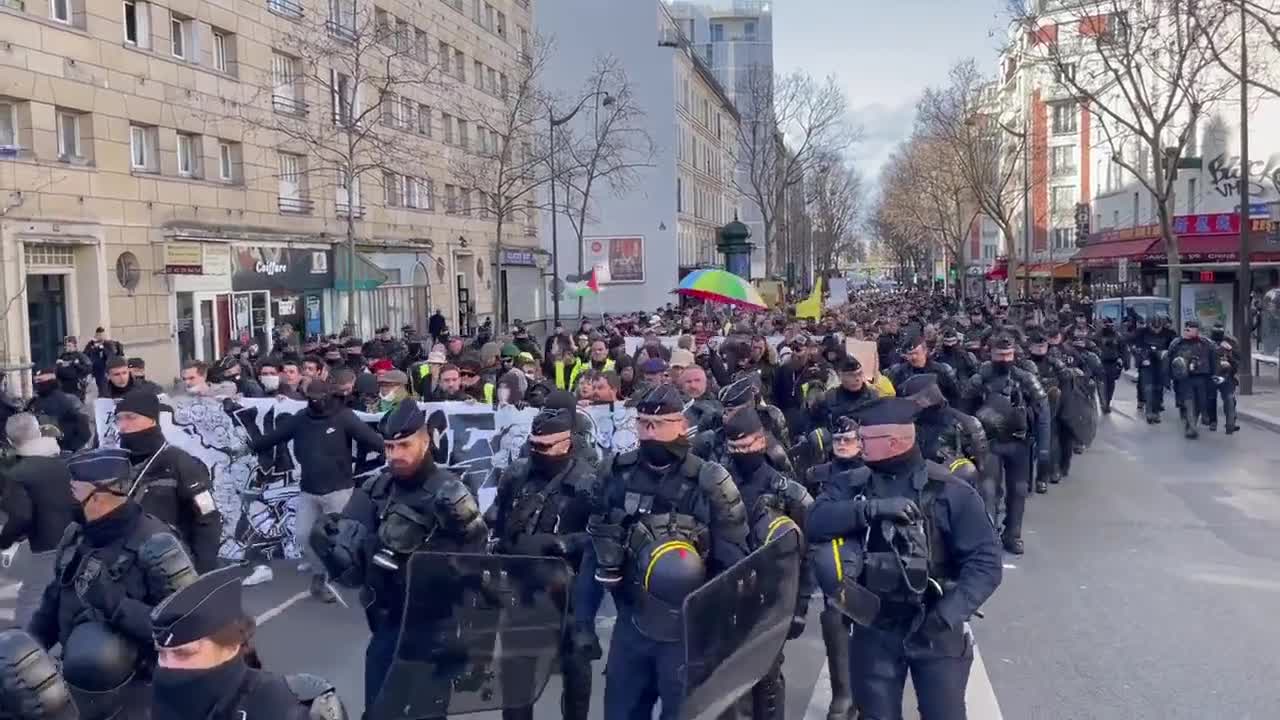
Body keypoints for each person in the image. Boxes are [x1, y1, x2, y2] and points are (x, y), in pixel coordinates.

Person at [806, 397, 1002, 720]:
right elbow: (816, 522)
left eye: (866, 439)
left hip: (935, 626)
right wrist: (868, 510)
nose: (858, 445)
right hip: (875, 626)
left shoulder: (951, 491)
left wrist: (948, 614)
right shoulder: (852, 484)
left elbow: (986, 562)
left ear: (894, 442)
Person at [574, 384, 749, 720]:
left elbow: (735, 562)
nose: (649, 433)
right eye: (642, 424)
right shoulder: (616, 473)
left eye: (658, 424)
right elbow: (595, 549)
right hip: (632, 623)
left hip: (687, 630)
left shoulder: (710, 480)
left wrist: (726, 632)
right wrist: (583, 619)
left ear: (681, 425)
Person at [310, 400, 486, 710]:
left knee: (425, 714)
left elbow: (477, 561)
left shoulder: (450, 492)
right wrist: (329, 544)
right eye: (389, 447)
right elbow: (352, 572)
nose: (395, 455)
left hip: (434, 628)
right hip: (387, 624)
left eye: (404, 445)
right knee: (378, 710)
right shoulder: (377, 487)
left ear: (426, 440)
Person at [28, 448, 198, 720]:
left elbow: (186, 632)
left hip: (138, 693)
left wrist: (116, 604)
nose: (67, 496)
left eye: (73, 489)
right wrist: (26, 654)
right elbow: (52, 604)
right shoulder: (76, 535)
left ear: (99, 495)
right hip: (78, 687)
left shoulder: (158, 545)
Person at [486, 407, 597, 720]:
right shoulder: (517, 473)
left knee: (576, 671)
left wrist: (562, 544)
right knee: (517, 678)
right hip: (521, 590)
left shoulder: (588, 481)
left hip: (569, 593)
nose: (537, 452)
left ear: (567, 442)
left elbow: (603, 536)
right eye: (533, 444)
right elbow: (498, 514)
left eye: (545, 446)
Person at [149, 565, 348, 720]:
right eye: (162, 654)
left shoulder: (289, 710)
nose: (167, 666)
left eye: (184, 653)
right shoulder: (165, 702)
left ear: (231, 646)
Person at [249, 381, 385, 602]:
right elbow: (274, 436)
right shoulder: (302, 418)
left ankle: (367, 579)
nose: (316, 402)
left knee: (347, 540)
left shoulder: (344, 417)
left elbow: (371, 440)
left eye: (320, 398)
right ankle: (320, 577)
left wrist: (392, 451)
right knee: (303, 535)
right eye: (312, 398)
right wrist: (249, 447)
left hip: (339, 490)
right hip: (309, 490)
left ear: (329, 395)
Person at [719, 407, 811, 719]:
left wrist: (800, 605)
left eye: (749, 446)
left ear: (762, 440)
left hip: (770, 595)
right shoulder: (717, 482)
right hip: (725, 591)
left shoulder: (786, 490)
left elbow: (805, 551)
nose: (742, 453)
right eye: (735, 448)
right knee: (730, 683)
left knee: (767, 678)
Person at [114, 390, 223, 573]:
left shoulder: (180, 462)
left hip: (171, 562)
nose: (123, 426)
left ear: (152, 420)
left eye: (130, 418)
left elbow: (207, 517)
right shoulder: (116, 463)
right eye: (118, 419)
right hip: (126, 564)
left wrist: (204, 569)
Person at [804, 416, 867, 720]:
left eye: (849, 440)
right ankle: (843, 694)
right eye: (838, 440)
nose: (842, 445)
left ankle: (867, 693)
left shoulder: (872, 473)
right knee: (834, 618)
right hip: (825, 555)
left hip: (867, 551)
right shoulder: (817, 475)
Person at [968, 335, 1050, 555]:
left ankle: (1012, 534)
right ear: (990, 354)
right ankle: (989, 535)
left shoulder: (1025, 378)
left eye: (1007, 355)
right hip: (990, 444)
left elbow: (1043, 412)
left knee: (1019, 490)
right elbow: (965, 409)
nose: (1004, 359)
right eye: (999, 355)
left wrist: (1044, 448)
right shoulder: (980, 379)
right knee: (988, 491)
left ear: (1014, 354)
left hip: (1019, 443)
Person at [0, 413, 78, 627]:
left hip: (46, 544)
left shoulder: (17, 474)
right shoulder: (67, 461)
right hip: (78, 538)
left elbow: (21, 516)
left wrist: (5, 539)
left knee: (30, 600)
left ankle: (26, 649)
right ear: (39, 432)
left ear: (10, 441)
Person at [1167, 320, 1217, 440]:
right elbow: (1169, 362)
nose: (1191, 331)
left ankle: (1191, 423)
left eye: (1194, 328)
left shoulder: (1206, 343)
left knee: (1200, 402)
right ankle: (1192, 428)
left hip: (1202, 378)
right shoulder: (1177, 343)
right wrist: (1168, 378)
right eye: (1188, 328)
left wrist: (1214, 375)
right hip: (1185, 378)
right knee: (1189, 402)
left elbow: (1213, 360)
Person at [27, 365, 91, 453]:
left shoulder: (62, 400)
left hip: (61, 448)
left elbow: (82, 425)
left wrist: (70, 448)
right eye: (36, 381)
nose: (37, 384)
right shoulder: (36, 400)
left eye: (40, 380)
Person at [1204, 322, 1241, 434]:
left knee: (1229, 397)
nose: (1218, 333)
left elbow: (1238, 360)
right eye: (1215, 331)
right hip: (1211, 374)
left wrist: (1229, 354)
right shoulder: (1206, 342)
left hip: (1226, 374)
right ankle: (1212, 421)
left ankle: (1231, 422)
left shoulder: (1231, 342)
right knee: (1210, 397)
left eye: (1220, 331)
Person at [1094, 318, 1127, 414]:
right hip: (1100, 363)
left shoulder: (1117, 336)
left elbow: (1123, 349)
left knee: (1111, 385)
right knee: (1102, 384)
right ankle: (1103, 403)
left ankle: (1107, 402)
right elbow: (1092, 346)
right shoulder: (1097, 336)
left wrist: (1122, 360)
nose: (1109, 327)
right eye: (1107, 325)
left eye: (1110, 325)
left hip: (1113, 363)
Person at [84, 327, 125, 396]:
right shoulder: (91, 344)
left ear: (104, 335)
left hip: (104, 371)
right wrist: (92, 348)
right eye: (98, 335)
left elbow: (111, 355)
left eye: (102, 335)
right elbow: (85, 355)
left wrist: (102, 348)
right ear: (96, 335)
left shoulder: (109, 344)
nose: (100, 337)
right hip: (94, 371)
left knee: (104, 389)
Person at [55, 336, 94, 401]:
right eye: (66, 346)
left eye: (69, 345)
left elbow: (88, 369)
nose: (67, 347)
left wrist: (77, 364)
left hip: (76, 387)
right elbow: (57, 369)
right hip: (63, 386)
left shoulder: (80, 356)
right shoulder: (63, 355)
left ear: (75, 346)